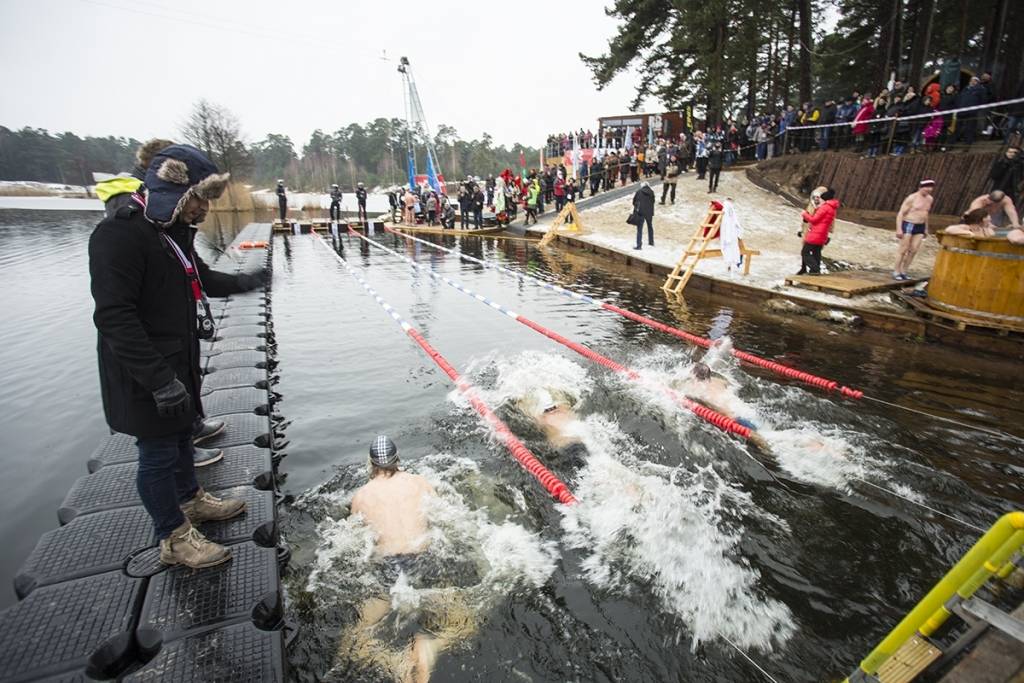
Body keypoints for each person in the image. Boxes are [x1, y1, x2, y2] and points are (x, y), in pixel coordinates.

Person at [89, 144, 248, 569]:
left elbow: (203, 278)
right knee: (157, 453)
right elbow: (114, 316)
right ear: (176, 191)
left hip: (177, 358)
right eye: (200, 199)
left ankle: (190, 500)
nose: (204, 210)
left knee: (180, 439)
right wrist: (159, 379)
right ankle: (173, 537)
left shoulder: (171, 232)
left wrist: (248, 281)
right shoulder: (119, 234)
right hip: (143, 370)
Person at [343, 436, 477, 683]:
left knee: (353, 645)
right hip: (422, 559)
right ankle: (430, 647)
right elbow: (445, 516)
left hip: (388, 568)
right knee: (466, 624)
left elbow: (356, 540)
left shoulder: (361, 496)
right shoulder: (419, 482)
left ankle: (396, 662)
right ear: (398, 459)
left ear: (370, 464)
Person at [894, 179, 935, 280]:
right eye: (926, 187)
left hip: (920, 225)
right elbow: (901, 213)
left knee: (914, 249)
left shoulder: (930, 199)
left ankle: (904, 270)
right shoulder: (912, 198)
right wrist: (899, 229)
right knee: (903, 249)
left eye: (930, 188)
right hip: (909, 223)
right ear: (921, 187)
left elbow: (926, 213)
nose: (929, 189)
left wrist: (926, 228)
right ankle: (896, 271)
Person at [797, 187, 838, 275]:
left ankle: (814, 269)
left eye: (818, 197)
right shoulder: (832, 208)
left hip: (815, 233)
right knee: (816, 252)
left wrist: (804, 214)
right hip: (820, 234)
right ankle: (812, 270)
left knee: (805, 252)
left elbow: (814, 220)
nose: (817, 199)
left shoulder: (824, 208)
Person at [631, 181, 655, 250]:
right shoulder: (651, 192)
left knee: (639, 229)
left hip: (641, 212)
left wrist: (637, 207)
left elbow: (634, 201)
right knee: (650, 226)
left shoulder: (639, 191)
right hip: (649, 212)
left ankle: (639, 245)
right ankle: (651, 242)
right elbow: (653, 201)